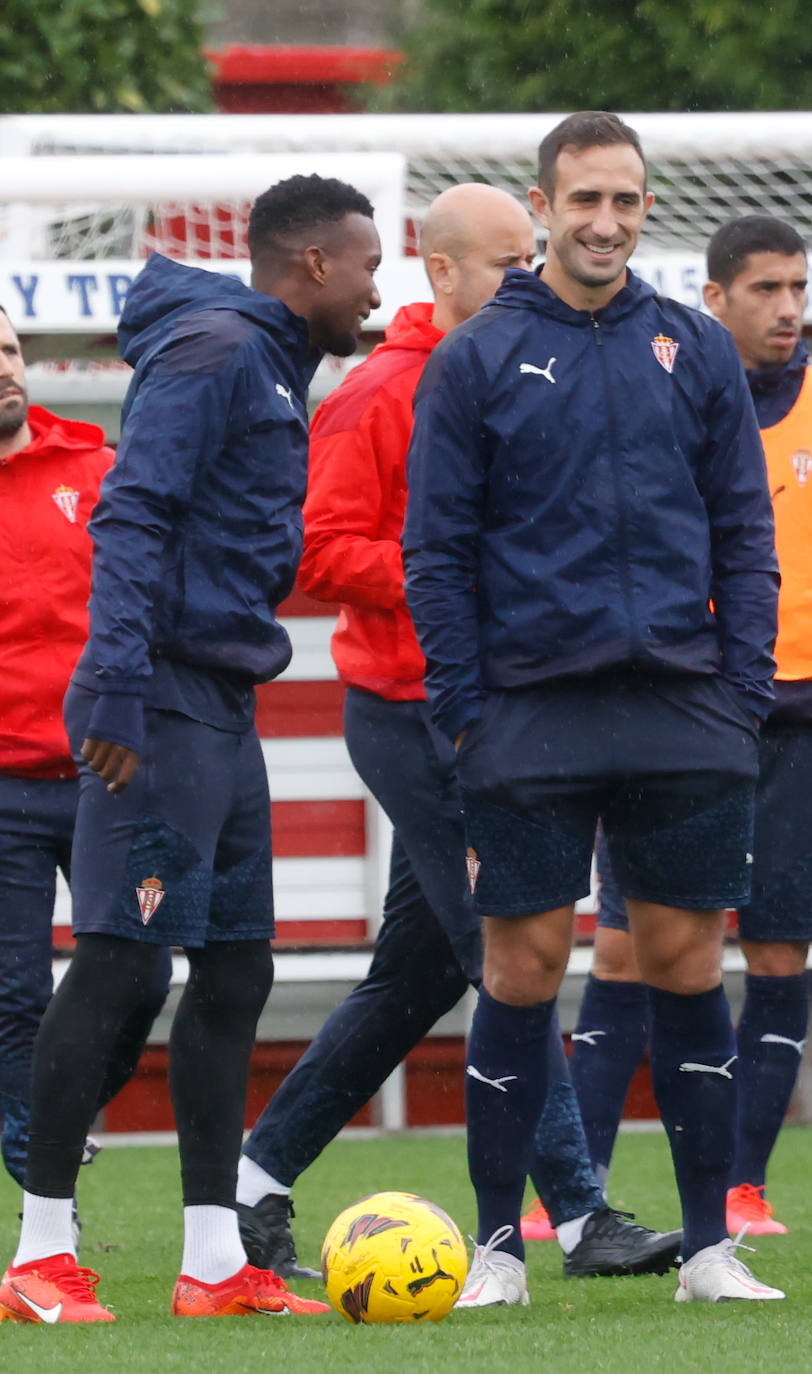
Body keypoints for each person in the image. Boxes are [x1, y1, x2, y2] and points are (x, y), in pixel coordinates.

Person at [235, 182, 681, 1286]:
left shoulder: (526, 371)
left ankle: (256, 1177)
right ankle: (578, 1218)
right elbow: (317, 549)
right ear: (439, 273)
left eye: (531, 263)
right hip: (409, 717)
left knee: (418, 976)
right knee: (509, 952)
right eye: (503, 267)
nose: (526, 283)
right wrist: (455, 581)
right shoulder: (382, 392)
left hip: (494, 715)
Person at [403, 111, 786, 1307]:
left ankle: (707, 1252)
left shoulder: (694, 345)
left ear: (646, 207)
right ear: (546, 206)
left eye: (624, 201)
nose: (605, 223)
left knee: (684, 962)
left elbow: (745, 529)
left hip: (684, 709)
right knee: (523, 970)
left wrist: (743, 694)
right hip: (526, 715)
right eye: (584, 202)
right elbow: (435, 554)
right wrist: (467, 713)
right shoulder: (472, 357)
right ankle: (496, 1254)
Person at [0, 173, 382, 1325]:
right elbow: (135, 513)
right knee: (120, 961)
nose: (378, 287)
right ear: (312, 264)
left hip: (225, 701)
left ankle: (214, 1263)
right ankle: (39, 1258)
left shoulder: (267, 360)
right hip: (159, 700)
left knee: (235, 969)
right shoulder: (216, 351)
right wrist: (114, 682)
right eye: (367, 264)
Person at [568, 214, 812, 1236]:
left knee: (776, 956)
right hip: (675, 718)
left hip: (804, 724)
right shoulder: (661, 408)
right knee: (628, 951)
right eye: (765, 289)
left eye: (799, 288)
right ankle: (579, 1189)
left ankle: (738, 1188)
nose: (788, 309)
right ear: (713, 299)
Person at [0, 308, 171, 1231]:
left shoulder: (96, 470)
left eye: (10, 350)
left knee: (142, 973)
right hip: (0, 790)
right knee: (13, 993)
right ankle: (44, 1211)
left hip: (103, 773)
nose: (4, 368)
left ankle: (52, 1116)